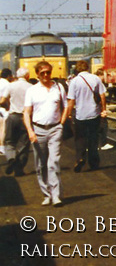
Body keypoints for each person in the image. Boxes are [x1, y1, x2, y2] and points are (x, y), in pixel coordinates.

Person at [23, 61, 69, 206]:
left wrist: (61, 124)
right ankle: (46, 194)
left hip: (55, 129)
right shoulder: (32, 91)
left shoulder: (59, 88)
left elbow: (66, 107)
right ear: (37, 74)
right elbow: (26, 113)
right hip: (38, 130)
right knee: (41, 165)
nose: (45, 75)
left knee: (53, 163)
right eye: (42, 73)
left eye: (48, 72)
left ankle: (56, 196)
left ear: (51, 72)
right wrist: (30, 131)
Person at [65, 60, 107, 172]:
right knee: (93, 138)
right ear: (87, 68)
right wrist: (103, 110)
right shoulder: (96, 78)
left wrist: (69, 114)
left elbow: (71, 100)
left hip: (80, 115)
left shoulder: (74, 81)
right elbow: (102, 96)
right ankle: (94, 162)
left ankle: (80, 159)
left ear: (77, 69)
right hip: (94, 114)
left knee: (80, 139)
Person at [3, 67, 33, 175]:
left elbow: (2, 100)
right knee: (23, 143)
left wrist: (7, 106)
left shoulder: (11, 86)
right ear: (27, 76)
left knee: (9, 141)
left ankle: (11, 159)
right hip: (26, 118)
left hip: (13, 116)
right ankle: (19, 169)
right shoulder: (31, 87)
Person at [0, 68, 12, 154]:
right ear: (8, 76)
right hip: (4, 108)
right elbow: (6, 98)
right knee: (3, 129)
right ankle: (2, 147)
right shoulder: (7, 84)